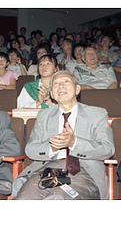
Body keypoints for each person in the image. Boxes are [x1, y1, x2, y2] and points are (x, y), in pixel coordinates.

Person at [13, 70, 114, 200]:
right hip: (48, 170)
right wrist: (52, 148)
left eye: (66, 81)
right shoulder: (44, 116)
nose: (61, 85)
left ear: (77, 89)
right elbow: (31, 149)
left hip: (83, 172)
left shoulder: (97, 114)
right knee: (24, 200)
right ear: (52, 94)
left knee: (58, 198)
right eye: (55, 84)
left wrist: (74, 143)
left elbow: (108, 149)